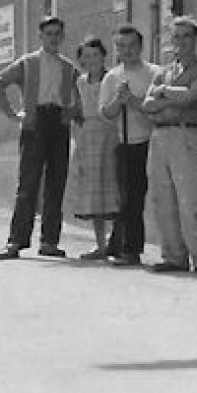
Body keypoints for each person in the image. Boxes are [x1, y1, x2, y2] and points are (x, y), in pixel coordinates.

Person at [0, 16, 82, 260]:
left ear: (62, 37)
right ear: (40, 36)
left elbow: (81, 96)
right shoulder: (28, 63)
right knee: (28, 183)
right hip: (35, 122)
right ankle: (16, 241)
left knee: (56, 182)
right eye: (48, 33)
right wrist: (12, 114)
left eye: (57, 34)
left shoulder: (69, 68)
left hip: (59, 123)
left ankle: (50, 241)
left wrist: (72, 112)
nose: (53, 38)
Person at [139, 16, 197, 273]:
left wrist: (164, 93)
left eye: (187, 36)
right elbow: (147, 105)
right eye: (177, 37)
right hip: (160, 136)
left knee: (190, 197)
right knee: (163, 197)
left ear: (195, 40)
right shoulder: (163, 71)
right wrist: (171, 96)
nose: (181, 42)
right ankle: (174, 255)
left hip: (185, 135)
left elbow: (192, 97)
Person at [98, 25, 158, 266]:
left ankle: (129, 246)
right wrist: (119, 100)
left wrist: (133, 101)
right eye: (121, 46)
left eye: (131, 45)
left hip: (151, 143)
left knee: (140, 197)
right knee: (127, 197)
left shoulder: (155, 73)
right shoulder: (112, 77)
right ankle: (128, 247)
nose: (127, 50)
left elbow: (156, 109)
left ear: (140, 46)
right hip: (124, 143)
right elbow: (106, 113)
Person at [64, 37, 118, 260]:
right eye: (86, 56)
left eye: (96, 55)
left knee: (113, 188)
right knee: (93, 191)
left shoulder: (112, 79)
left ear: (104, 56)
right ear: (81, 60)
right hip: (88, 137)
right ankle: (100, 244)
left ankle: (118, 242)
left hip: (110, 135)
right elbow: (77, 109)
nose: (92, 60)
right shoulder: (80, 83)